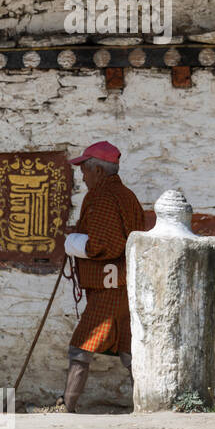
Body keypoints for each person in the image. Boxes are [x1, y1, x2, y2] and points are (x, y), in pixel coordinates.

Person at [56, 141, 146, 413]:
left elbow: (105, 244)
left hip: (109, 289)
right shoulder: (126, 195)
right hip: (124, 286)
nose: (82, 176)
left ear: (98, 170)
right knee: (129, 350)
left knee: (81, 345)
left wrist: (73, 243)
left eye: (84, 169)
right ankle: (147, 405)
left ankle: (67, 405)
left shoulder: (102, 197)